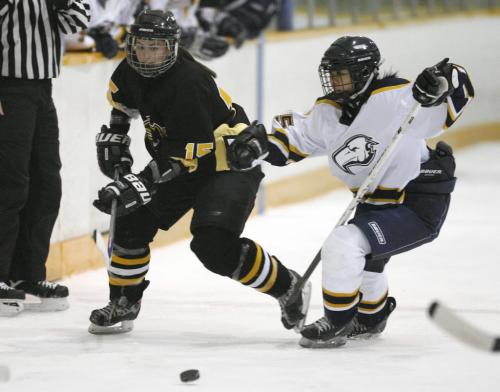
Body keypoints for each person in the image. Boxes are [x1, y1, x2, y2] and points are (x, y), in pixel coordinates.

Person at [227, 36, 474, 348]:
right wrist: (260, 146)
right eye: (331, 74)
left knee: (343, 244)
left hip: (417, 201)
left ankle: (338, 321)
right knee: (369, 263)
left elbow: (457, 91)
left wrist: (441, 82)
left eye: (341, 73)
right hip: (377, 203)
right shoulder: (328, 112)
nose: (334, 81)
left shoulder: (399, 97)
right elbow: (295, 140)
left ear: (364, 72)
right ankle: (372, 318)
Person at [88, 9, 311, 334]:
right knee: (130, 219)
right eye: (142, 46)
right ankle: (124, 300)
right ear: (132, 44)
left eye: (156, 47)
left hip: (227, 164)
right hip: (183, 160)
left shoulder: (188, 82)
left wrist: (140, 181)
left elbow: (187, 154)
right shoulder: (129, 70)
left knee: (212, 245)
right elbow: (122, 105)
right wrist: (117, 134)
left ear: (172, 47)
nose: (147, 55)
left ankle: (288, 285)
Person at [0, 0, 91, 316]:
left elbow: (76, 22)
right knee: (10, 184)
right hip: (7, 87)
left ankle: (27, 273)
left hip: (42, 89)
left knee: (46, 183)